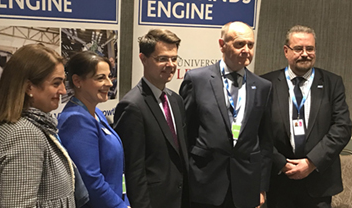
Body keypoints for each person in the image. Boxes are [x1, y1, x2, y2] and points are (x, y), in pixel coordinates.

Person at [179, 21, 272, 208]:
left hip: (245, 185)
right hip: (205, 183)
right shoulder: (197, 80)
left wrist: (261, 186)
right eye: (240, 44)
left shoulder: (263, 87)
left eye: (250, 45)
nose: (246, 50)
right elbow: (184, 134)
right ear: (222, 45)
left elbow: (265, 140)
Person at [261, 25, 352, 208]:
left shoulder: (332, 83)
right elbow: (258, 131)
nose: (305, 54)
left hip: (318, 182)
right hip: (278, 180)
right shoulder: (266, 84)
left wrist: (311, 162)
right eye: (298, 48)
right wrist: (280, 163)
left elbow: (342, 127)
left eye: (309, 48)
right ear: (286, 51)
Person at [0, 44, 75, 207]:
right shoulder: (25, 133)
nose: (63, 91)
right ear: (28, 87)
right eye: (56, 83)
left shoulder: (23, 125)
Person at [114, 29, 189, 208]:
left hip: (180, 199)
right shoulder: (132, 106)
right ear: (143, 59)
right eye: (162, 58)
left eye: (174, 58)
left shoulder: (175, 100)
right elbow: (134, 170)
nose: (170, 64)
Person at [57, 51, 130, 208]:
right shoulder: (75, 120)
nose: (110, 83)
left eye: (109, 76)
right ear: (77, 81)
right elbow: (91, 181)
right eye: (100, 78)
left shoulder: (95, 112)